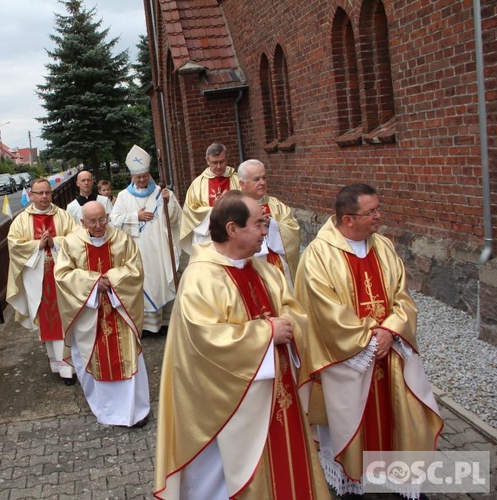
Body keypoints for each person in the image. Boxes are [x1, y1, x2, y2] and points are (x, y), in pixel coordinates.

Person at [155, 190, 330, 499]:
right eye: (260, 224)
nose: (266, 231)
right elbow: (206, 340)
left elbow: (294, 310)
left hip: (279, 395)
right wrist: (266, 333)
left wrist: (288, 324)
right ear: (233, 229)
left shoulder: (264, 268)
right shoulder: (201, 278)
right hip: (230, 407)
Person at [295, 183, 442, 499]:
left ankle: (399, 478)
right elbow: (324, 312)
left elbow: (403, 297)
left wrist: (391, 330)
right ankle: (352, 480)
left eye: (378, 208)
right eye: (371, 211)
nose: (379, 216)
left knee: (397, 417)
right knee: (351, 420)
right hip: (347, 359)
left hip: (389, 353)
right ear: (348, 219)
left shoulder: (384, 247)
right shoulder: (319, 256)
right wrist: (368, 340)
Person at [54, 201, 150, 427]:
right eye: (92, 221)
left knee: (126, 357)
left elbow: (135, 268)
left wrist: (112, 280)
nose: (99, 226)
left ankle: (134, 411)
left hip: (120, 311)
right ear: (82, 222)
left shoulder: (121, 238)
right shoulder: (72, 243)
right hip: (90, 315)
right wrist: (94, 282)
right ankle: (107, 411)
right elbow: (63, 275)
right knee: (93, 358)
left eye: (102, 220)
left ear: (107, 217)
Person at [6, 178, 78, 385]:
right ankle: (59, 365)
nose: (44, 196)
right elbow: (14, 245)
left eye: (47, 192)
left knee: (67, 319)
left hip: (63, 279)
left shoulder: (63, 216)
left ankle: (71, 366)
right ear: (31, 195)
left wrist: (54, 242)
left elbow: (77, 240)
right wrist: (38, 245)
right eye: (39, 193)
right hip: (38, 280)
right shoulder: (21, 221)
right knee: (49, 321)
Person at [109, 145, 182, 335]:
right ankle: (147, 326)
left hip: (160, 248)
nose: (142, 180)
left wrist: (169, 202)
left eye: (144, 176)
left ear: (149, 174)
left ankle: (165, 323)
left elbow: (174, 219)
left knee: (161, 280)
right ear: (132, 176)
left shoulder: (161, 193)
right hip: (137, 250)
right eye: (138, 177)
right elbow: (114, 221)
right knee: (143, 283)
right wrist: (135, 217)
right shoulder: (124, 197)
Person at [238, 159, 301, 287]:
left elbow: (293, 231)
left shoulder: (275, 205)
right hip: (247, 263)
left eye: (264, 178)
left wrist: (271, 224)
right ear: (242, 184)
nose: (262, 183)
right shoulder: (234, 206)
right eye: (256, 179)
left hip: (275, 264)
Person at [179, 142, 240, 254]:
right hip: (207, 237)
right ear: (207, 160)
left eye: (222, 161)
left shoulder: (238, 180)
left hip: (235, 236)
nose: (218, 166)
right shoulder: (197, 184)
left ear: (227, 157)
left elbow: (247, 204)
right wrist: (214, 210)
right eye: (214, 162)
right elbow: (190, 212)